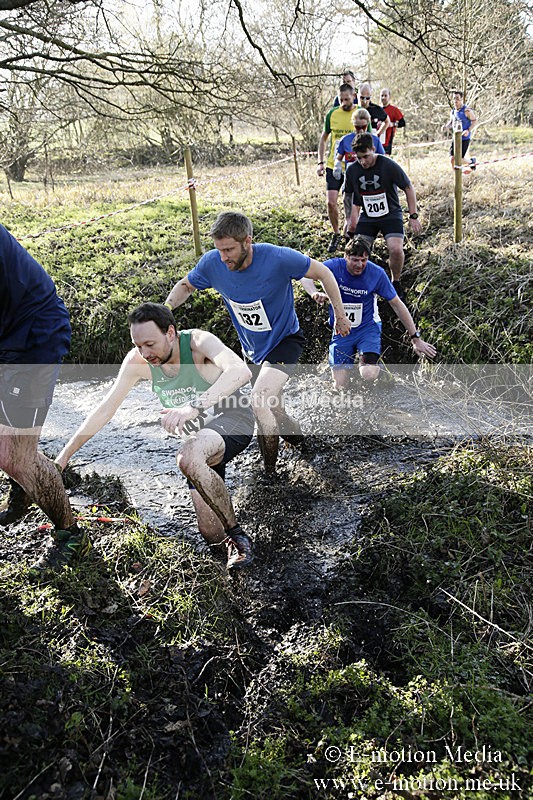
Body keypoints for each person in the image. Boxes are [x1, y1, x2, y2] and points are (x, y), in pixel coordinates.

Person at [55, 303, 256, 570]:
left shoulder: (198, 343)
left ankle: (238, 537)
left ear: (170, 333)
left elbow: (240, 372)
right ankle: (233, 578)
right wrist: (64, 456)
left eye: (150, 343)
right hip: (200, 438)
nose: (144, 353)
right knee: (210, 534)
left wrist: (193, 406)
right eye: (138, 345)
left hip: (233, 420)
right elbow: (105, 408)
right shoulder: (138, 362)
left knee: (187, 458)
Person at [163, 212, 351, 474]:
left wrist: (340, 316)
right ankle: (307, 449)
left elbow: (324, 273)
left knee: (259, 400)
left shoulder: (277, 258)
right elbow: (185, 285)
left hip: (285, 340)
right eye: (219, 250)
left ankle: (270, 474)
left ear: (247, 241)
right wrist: (166, 309)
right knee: (276, 411)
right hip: (252, 349)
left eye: (229, 249)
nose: (223, 256)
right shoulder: (212, 264)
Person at [0, 223, 91, 574]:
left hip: (33, 332)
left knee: (14, 455)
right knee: (11, 451)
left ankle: (70, 535)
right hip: (7, 330)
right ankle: (21, 490)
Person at [300, 236, 436, 389]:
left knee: (368, 373)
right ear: (346, 257)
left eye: (363, 260)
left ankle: (382, 373)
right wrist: (314, 293)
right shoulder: (333, 267)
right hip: (341, 330)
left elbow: (397, 304)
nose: (360, 265)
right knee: (339, 385)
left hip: (367, 328)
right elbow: (305, 275)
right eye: (355, 260)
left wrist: (415, 339)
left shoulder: (376, 274)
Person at [343, 132, 422, 298]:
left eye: (366, 156)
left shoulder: (388, 165)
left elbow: (408, 187)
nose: (363, 162)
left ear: (373, 149)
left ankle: (396, 281)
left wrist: (413, 215)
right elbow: (348, 196)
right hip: (368, 216)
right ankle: (363, 284)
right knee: (358, 251)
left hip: (391, 214)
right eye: (359, 158)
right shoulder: (352, 170)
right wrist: (349, 219)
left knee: (395, 249)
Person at [317, 83, 358, 253]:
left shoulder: (360, 114)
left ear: (353, 96)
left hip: (353, 166)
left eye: (347, 99)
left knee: (351, 204)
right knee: (331, 202)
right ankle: (336, 233)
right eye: (341, 100)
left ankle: (351, 234)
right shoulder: (332, 114)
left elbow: (369, 139)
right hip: (334, 165)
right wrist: (320, 162)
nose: (343, 103)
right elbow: (324, 138)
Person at [332, 108, 385, 182]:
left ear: (368, 124)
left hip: (371, 177)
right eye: (357, 127)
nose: (361, 130)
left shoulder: (375, 140)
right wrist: (337, 166)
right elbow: (338, 157)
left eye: (363, 127)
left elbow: (383, 159)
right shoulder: (345, 140)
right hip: (352, 178)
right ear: (353, 125)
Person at [442, 90, 477, 169]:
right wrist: (446, 127)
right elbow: (451, 122)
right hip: (456, 138)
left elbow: (474, 121)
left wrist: (468, 130)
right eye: (454, 98)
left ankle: (471, 161)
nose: (455, 101)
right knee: (452, 159)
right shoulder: (453, 111)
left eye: (457, 98)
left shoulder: (466, 110)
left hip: (464, 138)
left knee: (459, 160)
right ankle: (455, 176)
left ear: (461, 99)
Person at [380, 88, 405, 155]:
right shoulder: (377, 109)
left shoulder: (394, 110)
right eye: (382, 96)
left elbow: (402, 123)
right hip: (378, 140)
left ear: (389, 97)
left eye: (385, 96)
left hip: (387, 141)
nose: (383, 98)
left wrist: (393, 124)